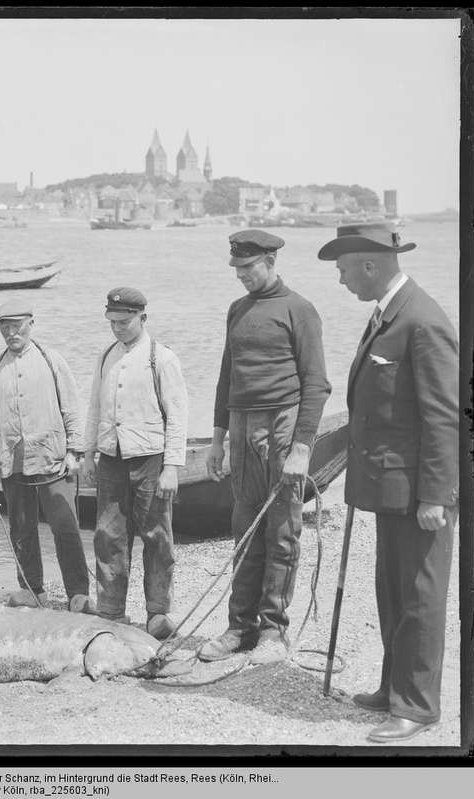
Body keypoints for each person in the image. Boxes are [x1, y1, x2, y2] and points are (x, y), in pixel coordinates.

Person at [319, 222, 458, 743]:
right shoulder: (387, 315)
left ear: (370, 265)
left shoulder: (422, 321)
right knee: (393, 592)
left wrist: (436, 497)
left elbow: (444, 418)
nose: (341, 279)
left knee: (420, 597)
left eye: (343, 269)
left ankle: (418, 708)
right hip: (389, 489)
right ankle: (393, 687)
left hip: (418, 494)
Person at [199, 230, 332, 665]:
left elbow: (316, 383)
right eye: (236, 268)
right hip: (241, 425)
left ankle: (274, 630)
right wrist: (216, 439)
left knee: (281, 530)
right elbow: (226, 377)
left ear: (271, 261)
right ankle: (240, 627)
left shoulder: (300, 310)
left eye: (248, 267)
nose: (240, 275)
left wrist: (302, 447)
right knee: (245, 526)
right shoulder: (236, 310)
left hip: (283, 423)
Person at [81, 288, 189, 639]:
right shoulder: (105, 357)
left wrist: (172, 467)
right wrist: (88, 454)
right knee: (108, 535)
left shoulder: (162, 358)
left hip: (150, 459)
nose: (118, 328)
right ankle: (111, 611)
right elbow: (95, 407)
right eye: (112, 322)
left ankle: (157, 612)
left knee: (157, 536)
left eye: (124, 322)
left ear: (143, 318)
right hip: (111, 458)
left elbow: (178, 414)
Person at [0, 299, 93, 612]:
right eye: (5, 328)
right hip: (11, 461)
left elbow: (71, 407)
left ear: (31, 325)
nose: (11, 333)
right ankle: (32, 590)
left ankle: (78, 593)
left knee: (65, 525)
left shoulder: (52, 360)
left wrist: (75, 451)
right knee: (21, 528)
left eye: (17, 326)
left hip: (52, 458)